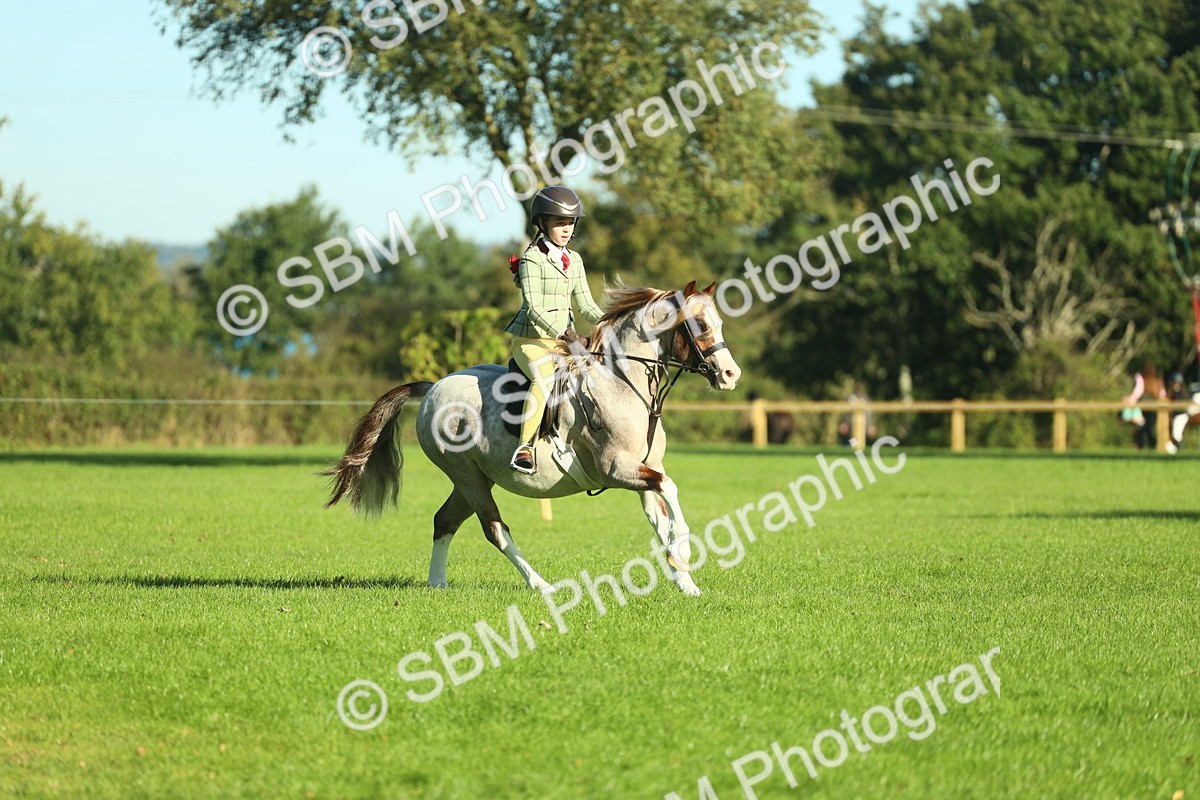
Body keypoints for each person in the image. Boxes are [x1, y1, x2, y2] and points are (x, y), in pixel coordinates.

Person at [504, 185, 604, 474]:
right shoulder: (531, 258)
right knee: (545, 379)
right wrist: (569, 334)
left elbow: (586, 305)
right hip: (531, 339)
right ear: (543, 223)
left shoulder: (574, 260)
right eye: (560, 222)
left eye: (570, 223)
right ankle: (525, 447)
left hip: (562, 342)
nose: (566, 229)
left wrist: (612, 322)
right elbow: (533, 309)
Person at [1125, 362, 1166, 450]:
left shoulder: (1141, 378)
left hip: (1144, 404)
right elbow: (1162, 393)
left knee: (1144, 426)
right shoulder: (1158, 379)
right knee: (1149, 426)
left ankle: (1145, 445)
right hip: (1155, 404)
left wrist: (1131, 399)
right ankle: (1149, 445)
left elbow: (1138, 390)